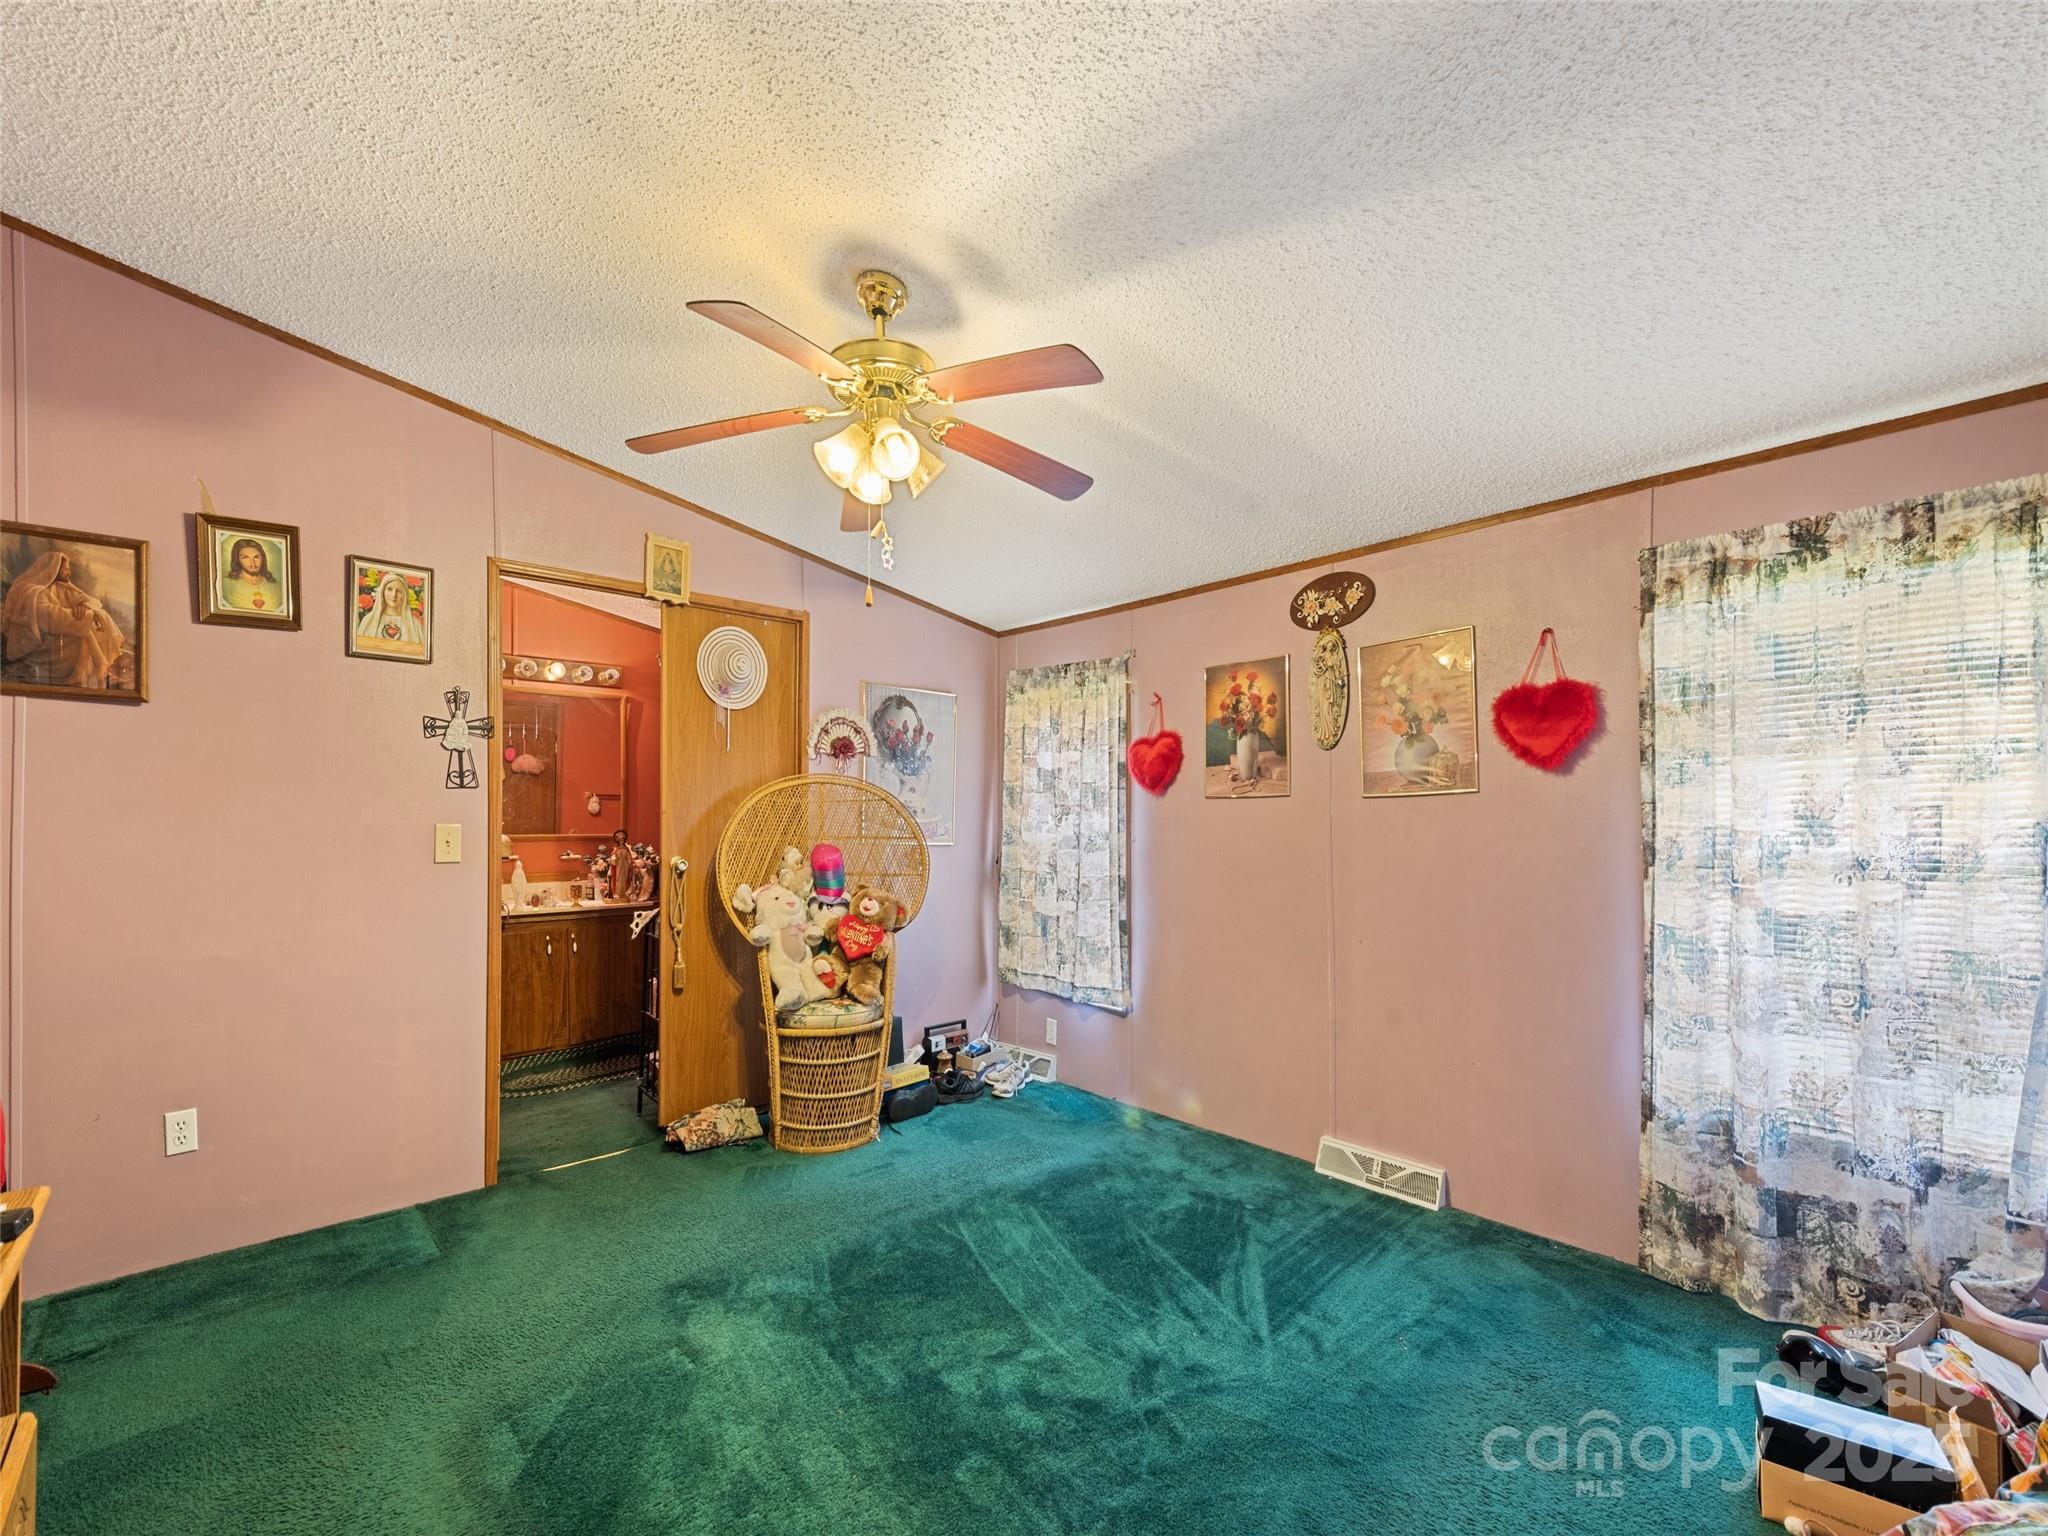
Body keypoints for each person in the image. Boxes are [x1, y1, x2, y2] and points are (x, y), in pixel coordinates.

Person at [1, 549, 124, 689]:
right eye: (65, 570)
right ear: (52, 569)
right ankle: (100, 669)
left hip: (59, 636)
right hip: (40, 642)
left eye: (68, 569)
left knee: (91, 620)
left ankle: (101, 669)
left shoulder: (63, 587)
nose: (68, 573)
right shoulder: (35, 592)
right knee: (82, 633)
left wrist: (85, 606)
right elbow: (50, 617)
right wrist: (86, 615)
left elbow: (94, 602)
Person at [355, 570, 423, 651]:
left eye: (399, 591)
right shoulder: (368, 621)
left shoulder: (415, 625)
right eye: (389, 589)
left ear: (404, 595)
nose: (394, 595)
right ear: (382, 591)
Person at [218, 537, 284, 614]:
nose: (252, 562)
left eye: (256, 557)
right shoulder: (225, 585)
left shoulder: (279, 587)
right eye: (245, 557)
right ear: (237, 560)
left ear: (263, 558)